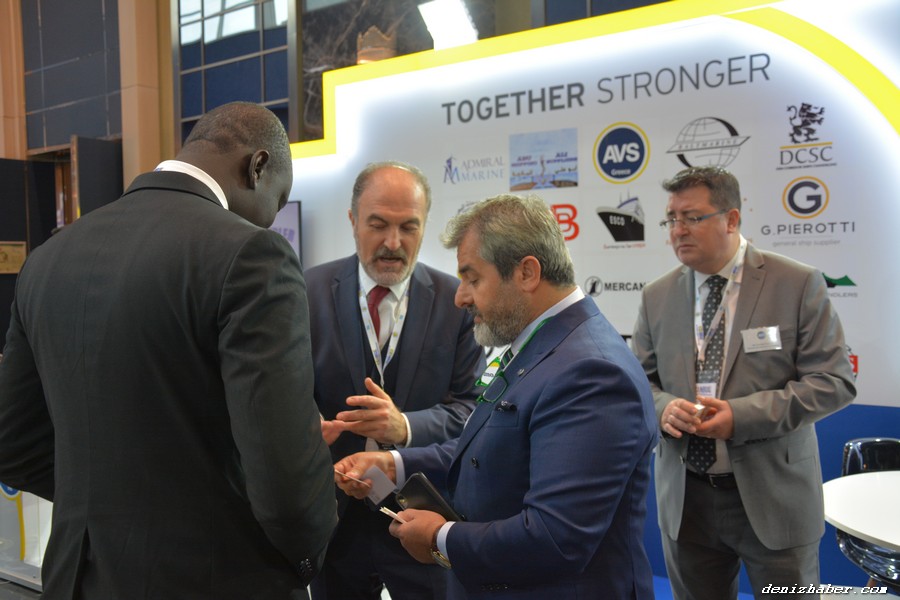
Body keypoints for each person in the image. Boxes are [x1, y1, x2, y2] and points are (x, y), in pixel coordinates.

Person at [0, 102, 337, 599]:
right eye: (278, 200)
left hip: (75, 577)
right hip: (211, 578)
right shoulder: (251, 255)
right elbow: (284, 477)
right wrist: (309, 557)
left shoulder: (48, 259)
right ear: (257, 167)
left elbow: (12, 442)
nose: (271, 219)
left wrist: (113, 505)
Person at [334, 194, 658, 599]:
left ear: (526, 273)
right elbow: (488, 450)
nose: (460, 297)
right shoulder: (542, 344)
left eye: (473, 279)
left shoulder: (592, 372)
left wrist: (440, 538)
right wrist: (395, 464)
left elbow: (555, 537)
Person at [631, 166, 856, 599]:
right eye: (671, 219)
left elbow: (834, 381)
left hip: (774, 499)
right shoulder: (656, 296)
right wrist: (663, 408)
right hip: (686, 500)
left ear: (731, 219)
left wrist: (740, 417)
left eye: (692, 217)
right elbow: (640, 381)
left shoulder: (795, 283)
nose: (678, 230)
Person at [305, 161, 484, 600]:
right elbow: (288, 395)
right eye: (378, 224)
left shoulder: (458, 301)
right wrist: (308, 427)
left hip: (423, 515)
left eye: (408, 227)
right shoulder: (305, 290)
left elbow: (473, 412)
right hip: (334, 516)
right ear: (353, 220)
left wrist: (404, 426)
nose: (392, 242)